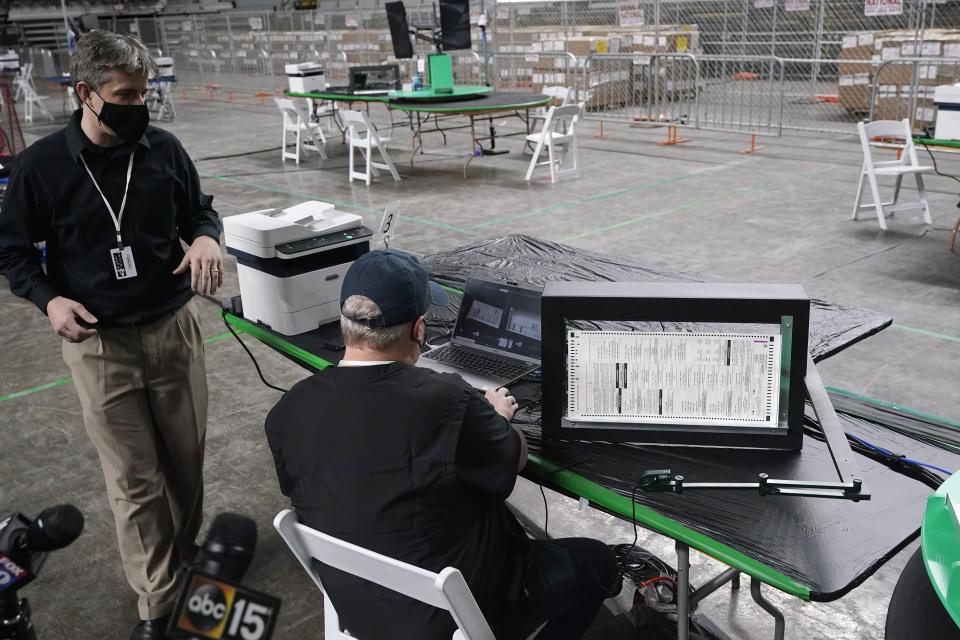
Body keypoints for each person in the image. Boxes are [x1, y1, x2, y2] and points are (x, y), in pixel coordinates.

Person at [265, 250, 620, 640]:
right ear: (419, 329)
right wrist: (497, 417)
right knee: (598, 562)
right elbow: (511, 458)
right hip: (454, 617)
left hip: (360, 607)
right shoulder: (444, 400)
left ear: (344, 322)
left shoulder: (287, 411)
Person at [0, 32, 222, 639]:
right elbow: (13, 252)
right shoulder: (40, 168)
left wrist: (205, 236)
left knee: (186, 465)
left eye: (144, 93)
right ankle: (156, 604)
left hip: (173, 332)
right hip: (100, 347)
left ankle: (178, 560)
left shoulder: (163, 150)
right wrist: (49, 301)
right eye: (124, 94)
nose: (137, 105)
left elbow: (198, 211)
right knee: (133, 481)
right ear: (85, 93)